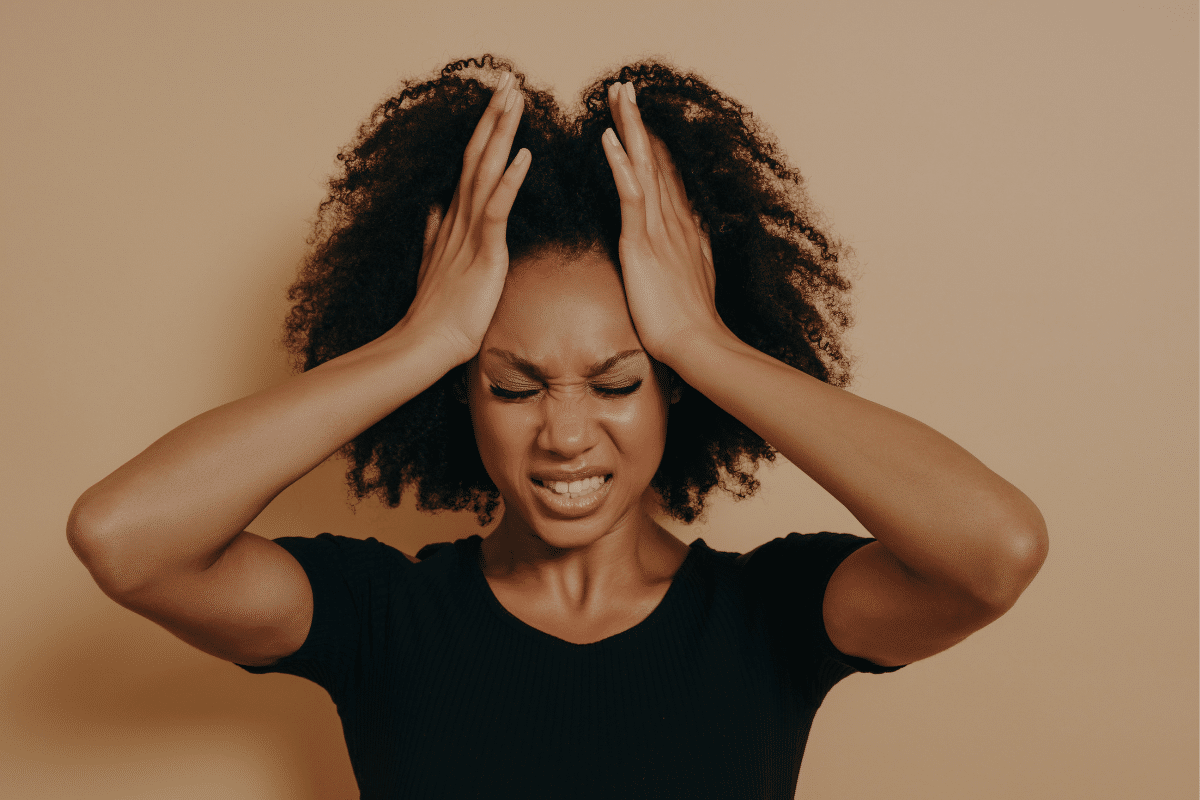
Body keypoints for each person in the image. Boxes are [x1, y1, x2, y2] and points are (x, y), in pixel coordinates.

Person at [66, 55, 1048, 798]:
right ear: (460, 394)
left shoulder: (771, 616)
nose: (567, 434)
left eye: (618, 381)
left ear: (674, 392)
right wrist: (423, 339)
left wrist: (702, 340)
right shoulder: (384, 618)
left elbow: (995, 550)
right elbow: (124, 538)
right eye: (513, 385)